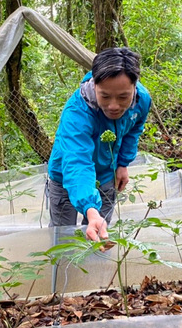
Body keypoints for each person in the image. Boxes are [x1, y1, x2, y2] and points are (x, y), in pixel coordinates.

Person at [47, 47, 152, 242]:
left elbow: (134, 130)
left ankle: (93, 270)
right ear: (94, 85)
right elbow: (77, 162)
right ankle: (62, 271)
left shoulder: (142, 100)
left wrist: (122, 164)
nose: (113, 106)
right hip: (65, 178)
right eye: (105, 96)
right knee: (62, 237)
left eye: (123, 97)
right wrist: (90, 208)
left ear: (134, 87)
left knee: (99, 237)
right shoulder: (77, 112)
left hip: (106, 175)